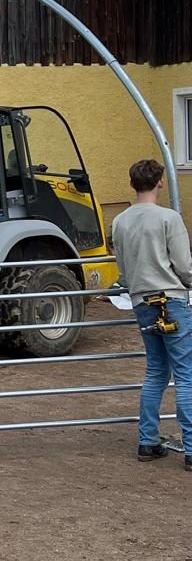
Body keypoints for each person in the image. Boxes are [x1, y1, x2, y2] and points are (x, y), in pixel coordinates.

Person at [111, 159, 192, 469]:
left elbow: (123, 268)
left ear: (133, 184)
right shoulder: (169, 218)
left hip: (142, 301)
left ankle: (148, 440)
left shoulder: (120, 221)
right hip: (171, 299)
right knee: (185, 374)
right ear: (160, 182)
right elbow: (184, 266)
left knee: (156, 371)